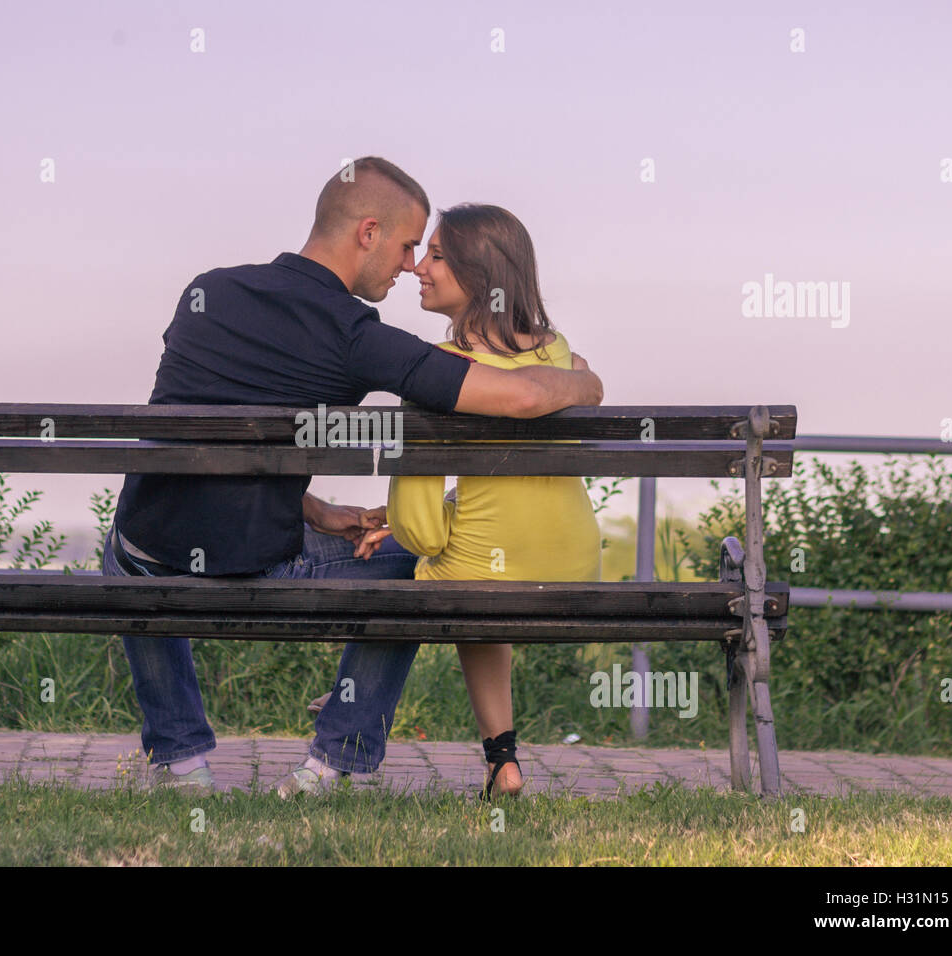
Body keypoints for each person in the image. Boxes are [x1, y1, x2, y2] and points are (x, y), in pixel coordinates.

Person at [101, 158, 604, 797]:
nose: (407, 264)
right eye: (403, 246)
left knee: (130, 544)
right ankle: (337, 761)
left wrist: (315, 510)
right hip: (256, 568)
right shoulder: (356, 336)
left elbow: (196, 439)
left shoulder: (209, 291)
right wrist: (584, 382)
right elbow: (523, 398)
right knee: (423, 568)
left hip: (149, 555)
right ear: (367, 232)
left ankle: (180, 764)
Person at [321, 203, 603, 799]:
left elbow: (423, 536)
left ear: (479, 275)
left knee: (413, 571)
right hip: (576, 563)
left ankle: (344, 718)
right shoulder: (558, 353)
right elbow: (506, 487)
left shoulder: (443, 370)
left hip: (486, 571)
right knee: (480, 572)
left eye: (437, 256)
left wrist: (399, 526)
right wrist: (398, 522)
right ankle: (503, 763)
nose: (418, 266)